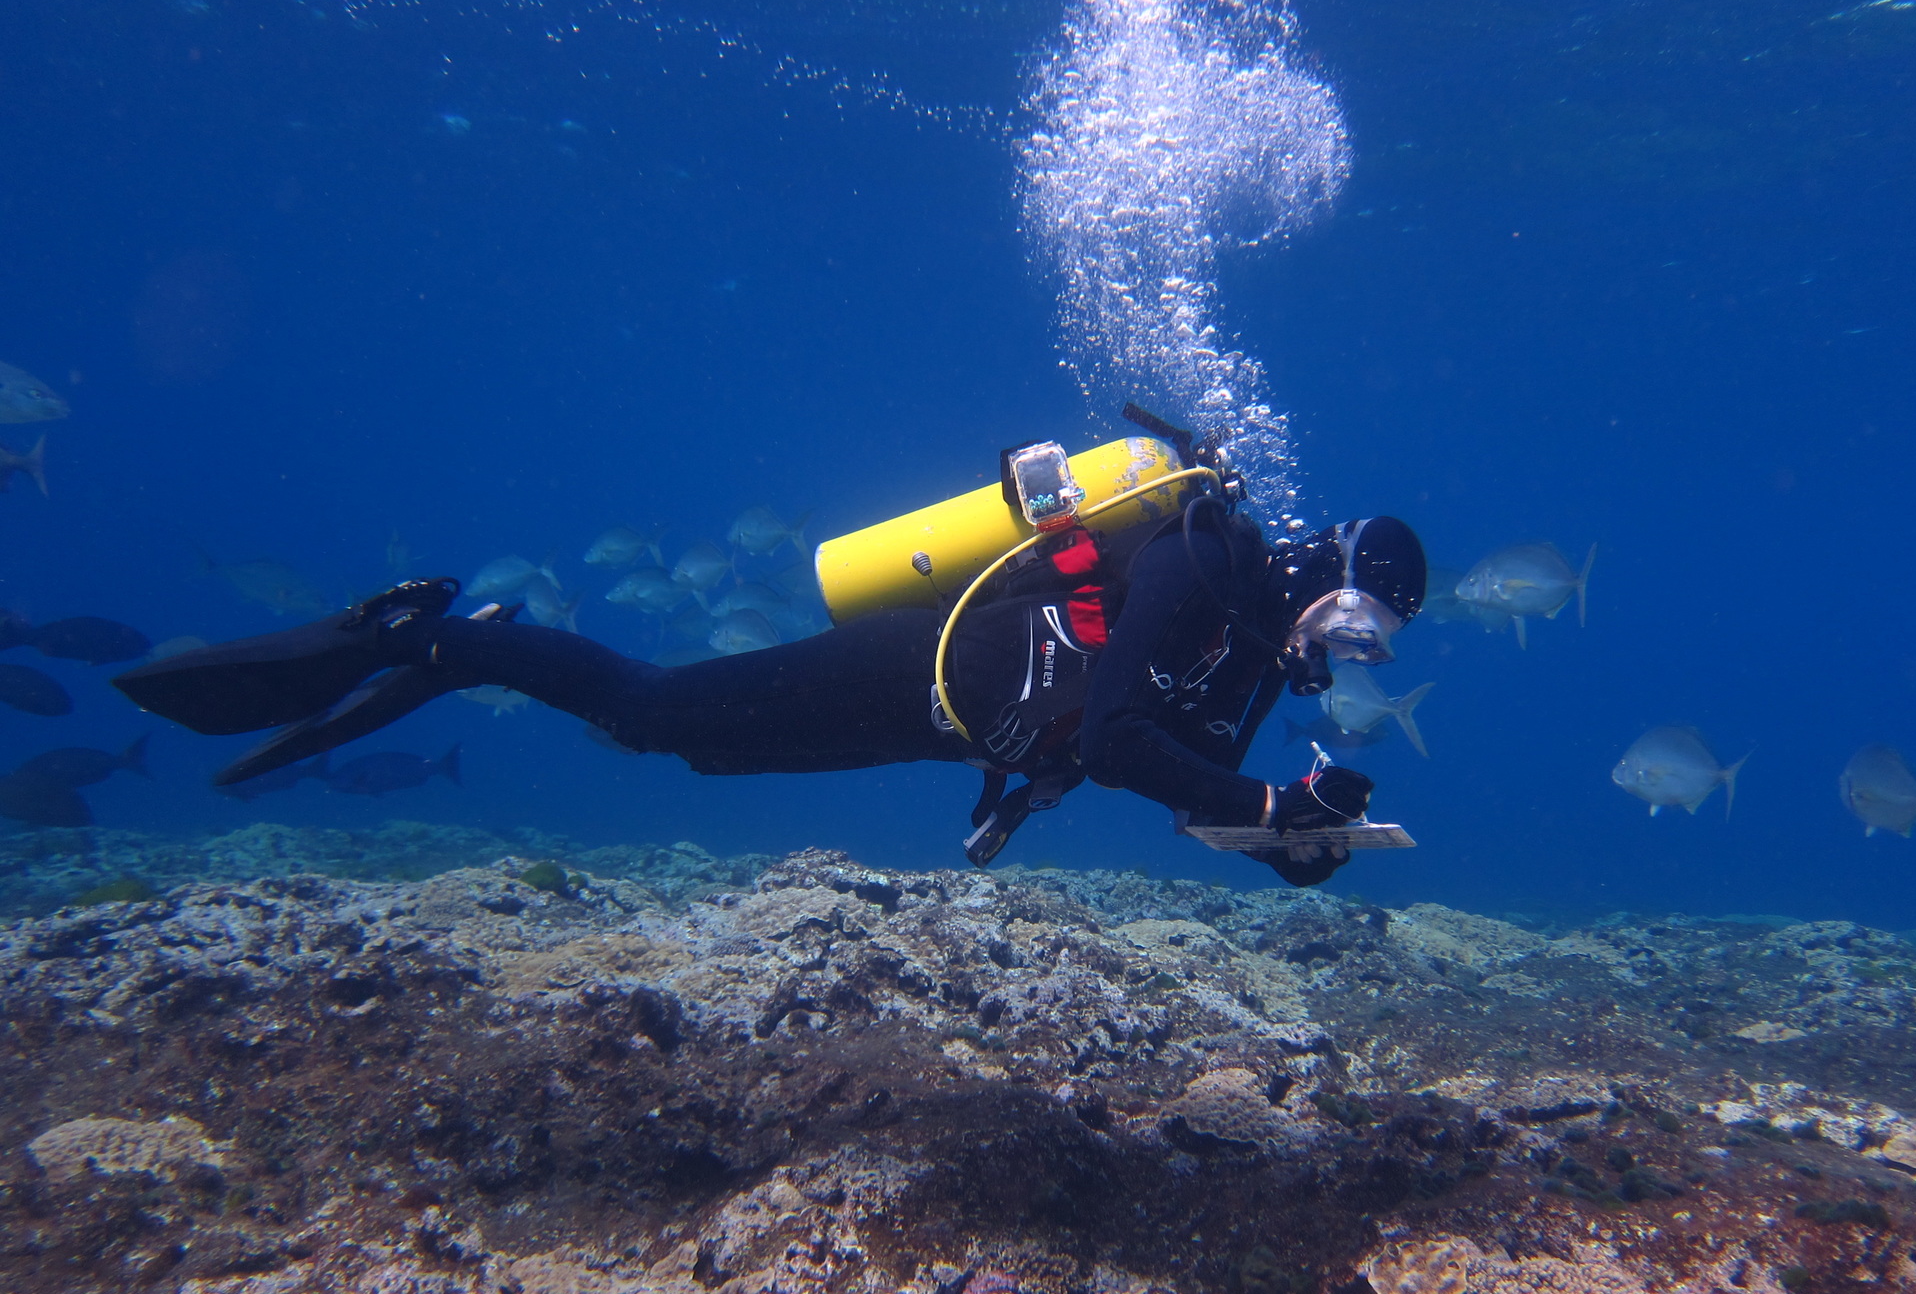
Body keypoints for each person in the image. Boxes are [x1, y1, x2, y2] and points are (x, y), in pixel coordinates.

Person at [114, 467, 1424, 887]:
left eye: (1373, 647)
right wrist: (1264, 811)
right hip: (917, 666)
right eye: (1353, 621)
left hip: (941, 723)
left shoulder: (1256, 650)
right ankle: (434, 638)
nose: (1344, 652)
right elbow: (1132, 735)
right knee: (649, 711)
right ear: (1322, 569)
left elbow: (1181, 775)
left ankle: (469, 643)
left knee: (687, 744)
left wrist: (1292, 842)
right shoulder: (1201, 567)